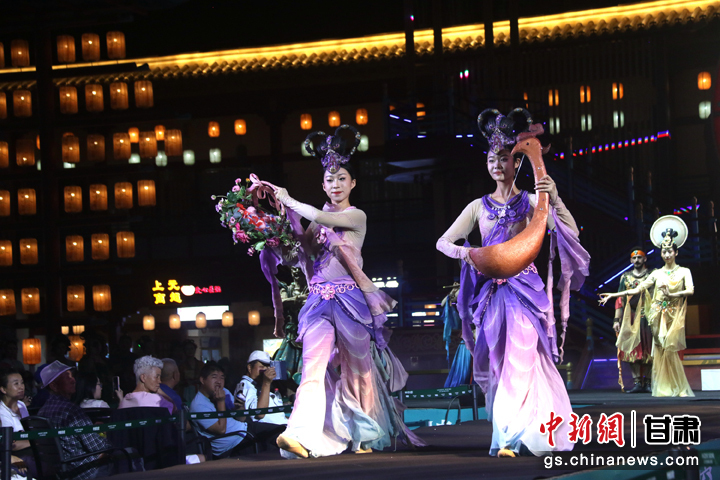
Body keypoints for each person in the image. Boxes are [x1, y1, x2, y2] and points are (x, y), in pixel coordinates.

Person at [436, 109, 590, 457]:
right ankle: (513, 430)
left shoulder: (531, 201)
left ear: (516, 162)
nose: (497, 164)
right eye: (492, 159)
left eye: (504, 158)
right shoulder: (477, 207)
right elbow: (443, 242)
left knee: (523, 356)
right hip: (490, 293)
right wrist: (469, 254)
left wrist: (554, 197)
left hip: (524, 291)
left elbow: (569, 232)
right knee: (499, 360)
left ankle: (510, 435)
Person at [266, 125, 423, 459]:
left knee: (358, 370)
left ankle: (363, 434)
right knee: (312, 367)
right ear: (323, 184)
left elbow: (320, 215)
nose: (335, 184)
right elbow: (298, 257)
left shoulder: (356, 216)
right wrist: (272, 237)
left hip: (351, 301)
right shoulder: (316, 222)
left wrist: (289, 200)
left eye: (341, 179)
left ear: (353, 183)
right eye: (329, 179)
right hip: (318, 302)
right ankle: (298, 434)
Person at [600, 217, 694, 397]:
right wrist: (613, 298)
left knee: (662, 349)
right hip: (644, 316)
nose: (667, 255)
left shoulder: (670, 272)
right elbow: (632, 293)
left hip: (660, 314)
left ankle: (663, 383)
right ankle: (650, 384)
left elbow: (688, 290)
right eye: (664, 251)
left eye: (670, 251)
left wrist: (671, 295)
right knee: (643, 349)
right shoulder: (638, 276)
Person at [38, 361, 133, 479]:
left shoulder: (42, 411)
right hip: (83, 469)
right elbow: (98, 446)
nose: (73, 380)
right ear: (54, 386)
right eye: (67, 377)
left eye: (72, 376)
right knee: (128, 452)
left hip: (59, 470)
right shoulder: (70, 410)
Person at [614, 247, 655, 393]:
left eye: (640, 257)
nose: (637, 260)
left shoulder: (652, 275)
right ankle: (637, 382)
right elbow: (620, 300)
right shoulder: (625, 277)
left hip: (648, 316)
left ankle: (648, 382)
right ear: (631, 260)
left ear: (645, 259)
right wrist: (616, 320)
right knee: (632, 349)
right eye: (634, 258)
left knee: (649, 349)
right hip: (630, 317)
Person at [190, 363, 251, 458]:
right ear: (202, 380)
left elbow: (241, 419)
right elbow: (221, 430)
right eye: (214, 377)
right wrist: (221, 402)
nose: (219, 381)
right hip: (231, 445)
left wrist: (240, 408)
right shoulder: (198, 405)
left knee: (273, 432)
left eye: (222, 378)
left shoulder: (225, 391)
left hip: (245, 431)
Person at [235, 351, 287, 427]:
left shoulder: (258, 385)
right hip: (271, 430)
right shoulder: (246, 385)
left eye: (268, 367)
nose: (265, 370)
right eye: (262, 367)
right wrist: (266, 383)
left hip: (283, 425)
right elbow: (260, 413)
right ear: (250, 368)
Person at [0, 367, 33, 469]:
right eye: (16, 384)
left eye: (22, 383)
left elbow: (29, 432)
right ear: (3, 389)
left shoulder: (22, 405)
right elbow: (12, 445)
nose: (21, 387)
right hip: (14, 455)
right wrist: (37, 441)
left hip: (30, 449)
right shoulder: (1, 411)